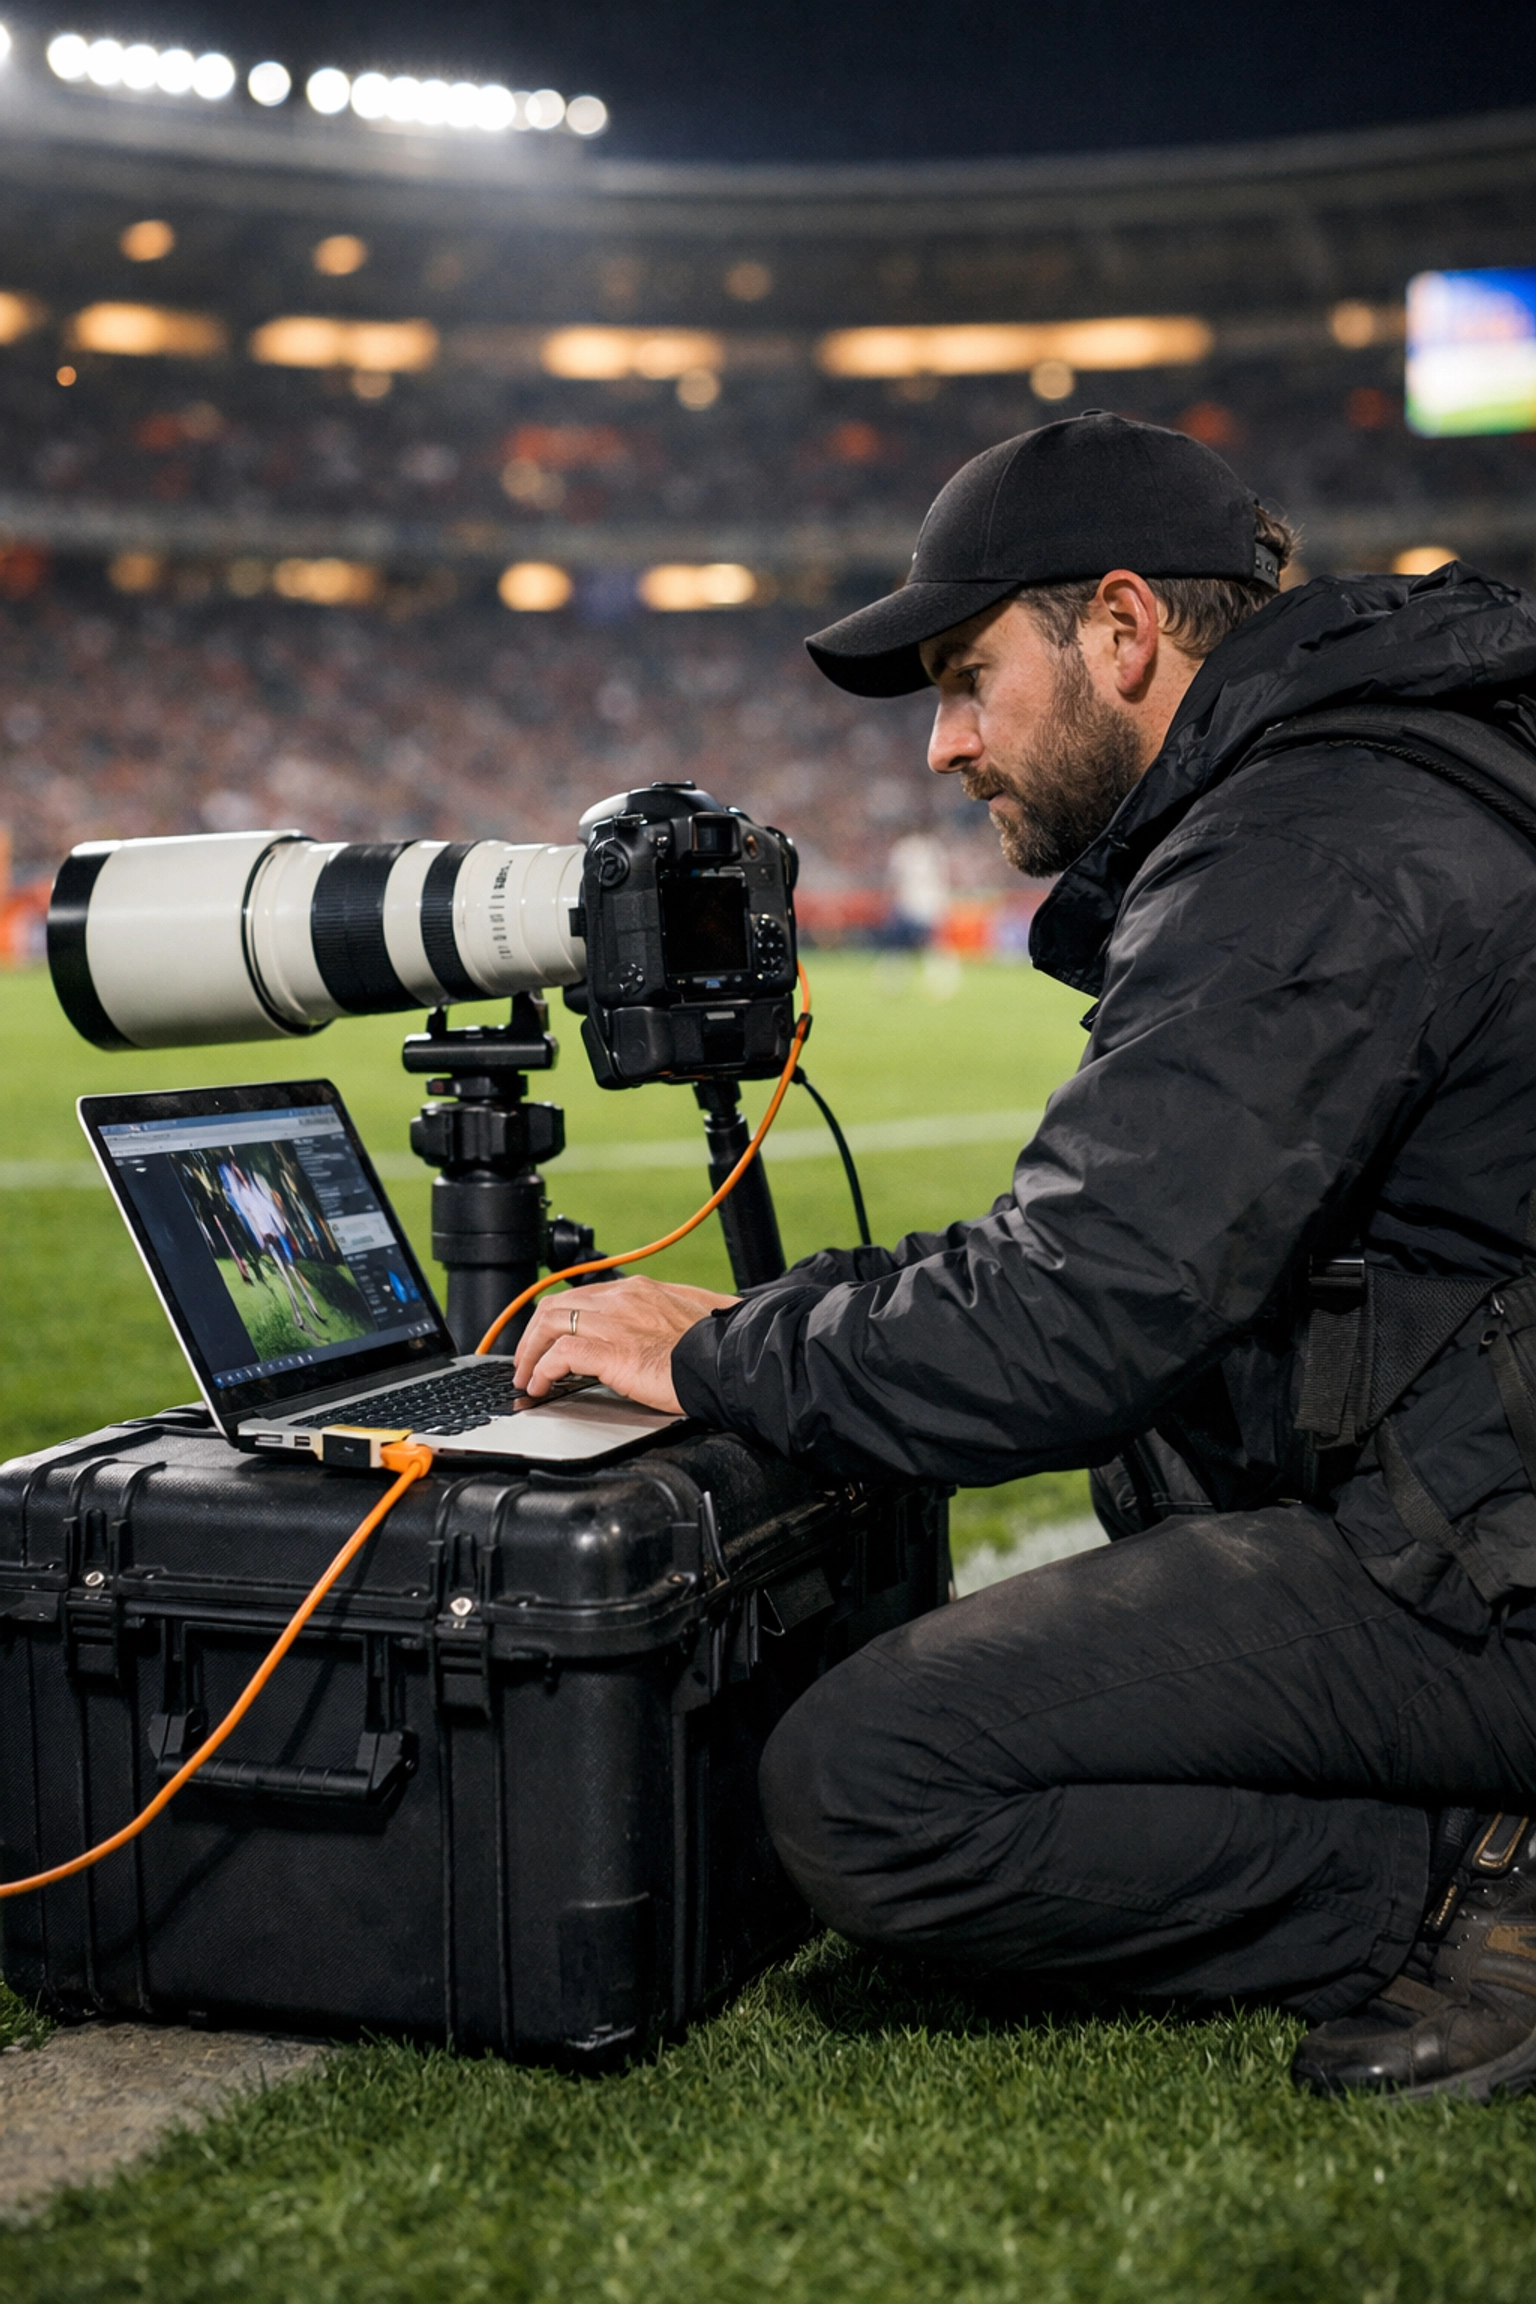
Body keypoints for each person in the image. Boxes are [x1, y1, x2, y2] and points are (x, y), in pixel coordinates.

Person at [516, 411, 1536, 2102]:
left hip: (1495, 1565)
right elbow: (1096, 1251)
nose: (943, 745)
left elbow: (1075, 1322)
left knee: (869, 1779)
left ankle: (1458, 1881)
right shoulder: (1363, 776)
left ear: (1123, 632)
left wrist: (712, 1359)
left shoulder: (1310, 840)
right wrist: (779, 1314)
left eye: (969, 673)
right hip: (1488, 1494)